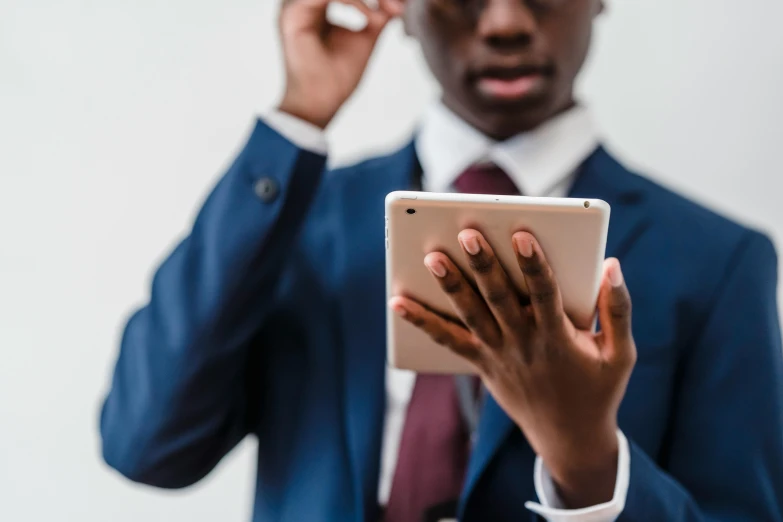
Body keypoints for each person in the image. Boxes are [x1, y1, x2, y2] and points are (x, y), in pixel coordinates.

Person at [99, 0, 783, 520]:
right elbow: (147, 442)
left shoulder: (718, 264)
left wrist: (589, 461)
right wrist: (298, 115)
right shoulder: (297, 219)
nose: (506, 22)